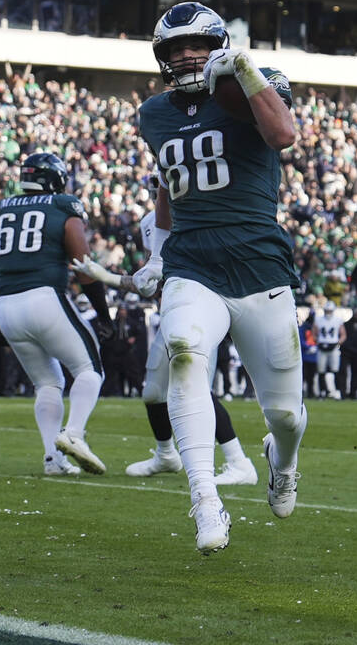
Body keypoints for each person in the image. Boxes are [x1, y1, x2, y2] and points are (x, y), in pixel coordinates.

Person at [136, 1, 305, 554]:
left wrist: (245, 69)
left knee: (284, 415)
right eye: (174, 49)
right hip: (194, 263)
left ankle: (283, 462)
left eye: (197, 46)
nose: (185, 56)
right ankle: (206, 500)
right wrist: (159, 255)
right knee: (183, 348)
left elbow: (283, 134)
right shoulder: (154, 113)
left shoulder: (245, 87)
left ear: (218, 47)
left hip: (260, 266)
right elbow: (167, 184)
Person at [72, 205, 258, 488]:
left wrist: (107, 277)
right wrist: (107, 277)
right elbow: (149, 283)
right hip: (174, 314)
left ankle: (238, 462)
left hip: (202, 311)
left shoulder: (208, 212)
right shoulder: (152, 222)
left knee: (197, 390)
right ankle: (166, 455)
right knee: (154, 393)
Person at [0, 153, 113, 477]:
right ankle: (74, 434)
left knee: (47, 383)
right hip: (45, 297)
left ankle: (53, 458)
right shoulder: (63, 205)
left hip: (7, 306)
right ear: (56, 179)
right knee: (90, 370)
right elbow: (84, 266)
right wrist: (103, 314)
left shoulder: (0, 210)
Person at [312, 301, 345, 399]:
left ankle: (337, 392)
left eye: (330, 311)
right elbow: (314, 332)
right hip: (322, 345)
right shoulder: (318, 319)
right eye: (327, 311)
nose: (328, 313)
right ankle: (322, 392)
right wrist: (317, 341)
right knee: (321, 370)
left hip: (333, 346)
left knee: (335, 370)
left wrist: (338, 343)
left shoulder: (338, 320)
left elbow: (343, 334)